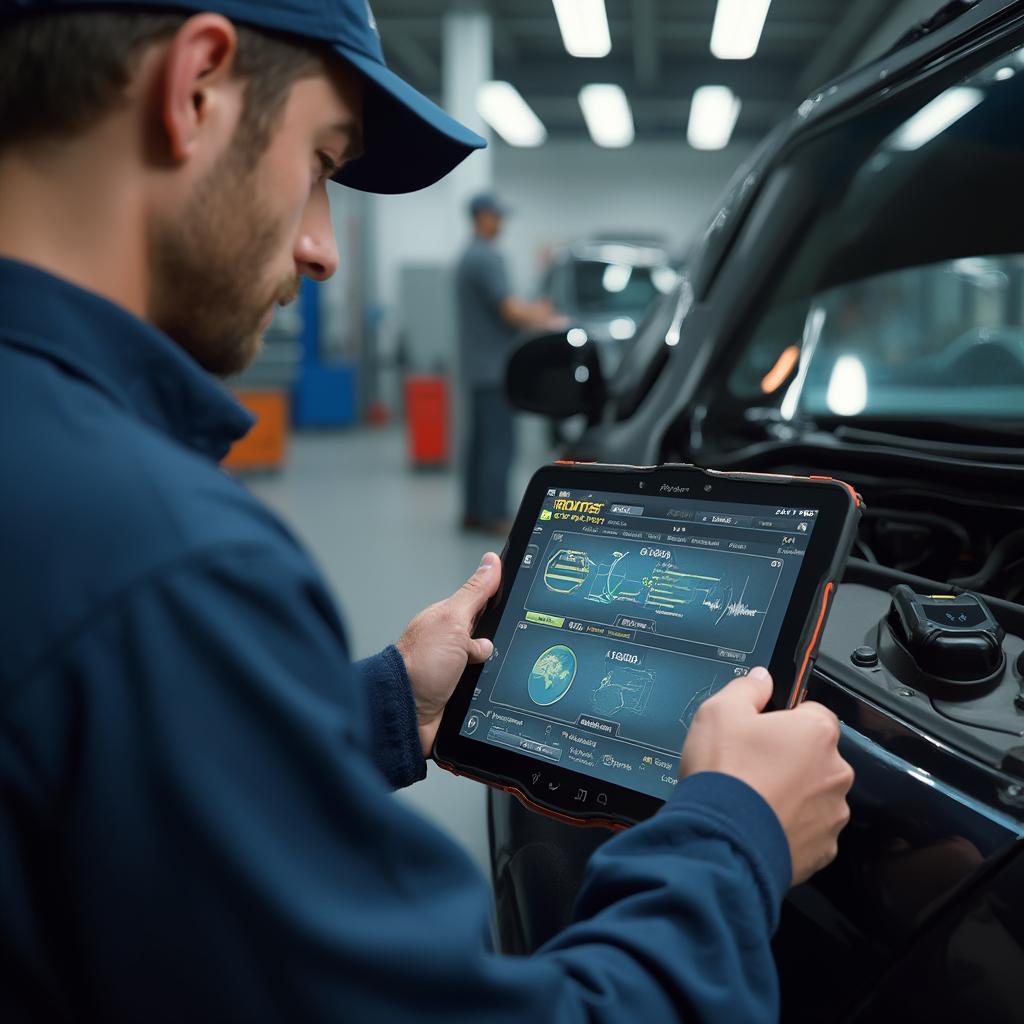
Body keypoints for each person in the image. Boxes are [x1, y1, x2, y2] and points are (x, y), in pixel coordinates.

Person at [0, 2, 853, 1021]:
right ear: (195, 88)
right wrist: (738, 831)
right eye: (322, 162)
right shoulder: (160, 560)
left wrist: (387, 708)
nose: (321, 249)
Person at [456, 192, 565, 533]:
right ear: (481, 216)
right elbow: (508, 310)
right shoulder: (487, 258)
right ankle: (494, 514)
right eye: (497, 216)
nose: (502, 222)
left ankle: (474, 510)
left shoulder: (466, 257)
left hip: (477, 367)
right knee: (499, 445)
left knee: (479, 444)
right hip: (495, 369)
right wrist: (544, 319)